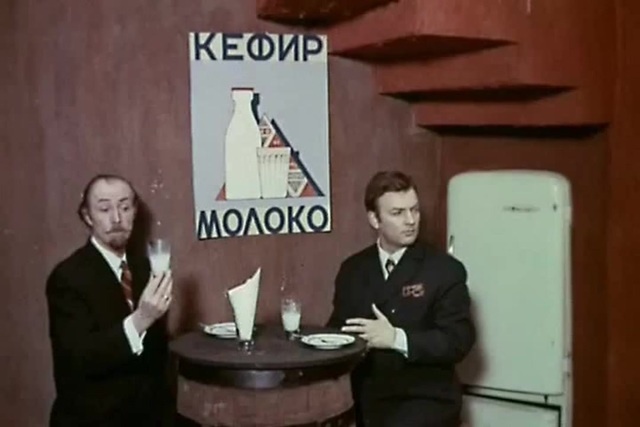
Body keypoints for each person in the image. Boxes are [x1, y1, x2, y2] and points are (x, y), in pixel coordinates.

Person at [327, 171, 475, 427]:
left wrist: (395, 338)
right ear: (374, 219)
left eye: (414, 210)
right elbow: (339, 329)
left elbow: (458, 341)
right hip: (368, 404)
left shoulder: (445, 270)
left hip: (427, 404)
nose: (410, 221)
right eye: (397, 213)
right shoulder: (353, 269)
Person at [46, 174, 174, 427]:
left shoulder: (146, 269)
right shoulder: (67, 277)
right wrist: (142, 318)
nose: (116, 218)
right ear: (87, 216)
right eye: (104, 209)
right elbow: (80, 360)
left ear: (135, 212)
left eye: (125, 207)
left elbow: (155, 359)